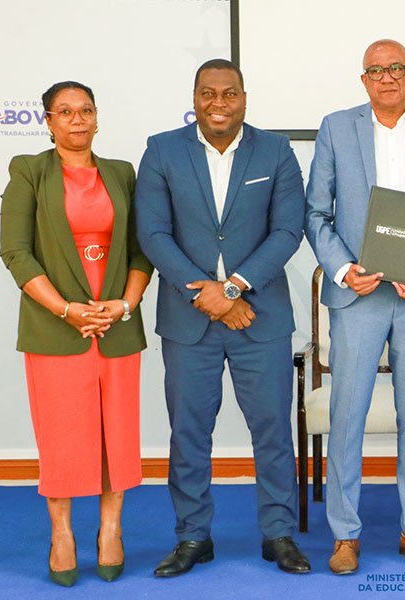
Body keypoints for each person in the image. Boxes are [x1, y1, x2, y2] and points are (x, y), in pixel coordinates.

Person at [135, 59, 309, 576]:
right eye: (208, 93)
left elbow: (288, 230)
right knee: (189, 434)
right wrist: (206, 295)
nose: (218, 103)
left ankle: (279, 534)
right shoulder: (162, 150)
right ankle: (193, 537)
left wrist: (231, 290)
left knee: (273, 431)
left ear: (244, 98)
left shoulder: (276, 151)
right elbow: (153, 233)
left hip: (260, 316)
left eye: (229, 93)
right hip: (189, 321)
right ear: (194, 98)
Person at [304, 39, 405, 575]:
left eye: (396, 68)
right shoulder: (335, 128)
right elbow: (316, 213)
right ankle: (345, 536)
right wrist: (344, 269)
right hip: (359, 295)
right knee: (347, 416)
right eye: (376, 70)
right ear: (363, 79)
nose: (386, 77)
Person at [0, 81, 153, 586]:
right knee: (62, 435)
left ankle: (111, 529)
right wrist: (66, 310)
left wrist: (125, 305)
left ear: (97, 117)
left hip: (115, 327)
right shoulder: (29, 170)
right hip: (55, 327)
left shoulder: (122, 173)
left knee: (117, 434)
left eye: (85, 110)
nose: (77, 119)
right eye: (64, 111)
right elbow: (16, 252)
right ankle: (61, 533)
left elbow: (141, 249)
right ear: (48, 121)